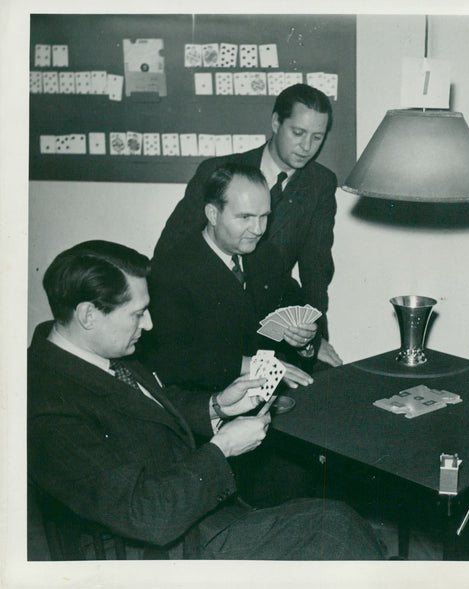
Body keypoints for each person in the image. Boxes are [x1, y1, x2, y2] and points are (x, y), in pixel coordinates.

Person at [27, 240, 384, 560]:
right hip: (156, 552)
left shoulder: (101, 356)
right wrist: (223, 447)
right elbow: (144, 517)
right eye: (137, 313)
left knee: (336, 522)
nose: (149, 325)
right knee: (335, 530)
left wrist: (217, 405)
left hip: (194, 516)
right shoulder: (46, 403)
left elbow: (151, 411)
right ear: (88, 315)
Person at [154, 83, 341, 368]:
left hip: (274, 323)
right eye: (298, 133)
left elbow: (316, 268)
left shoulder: (321, 183)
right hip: (210, 324)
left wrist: (313, 338)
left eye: (317, 137)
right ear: (276, 122)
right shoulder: (218, 172)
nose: (307, 147)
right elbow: (170, 251)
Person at [141, 163, 316, 393]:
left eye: (264, 217)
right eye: (245, 217)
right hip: (207, 403)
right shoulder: (171, 270)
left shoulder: (267, 256)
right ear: (213, 214)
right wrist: (249, 365)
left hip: (267, 392)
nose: (258, 229)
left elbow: (298, 308)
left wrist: (305, 342)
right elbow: (171, 361)